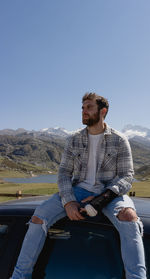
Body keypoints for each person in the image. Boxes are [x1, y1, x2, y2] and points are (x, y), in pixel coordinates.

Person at [11, 92, 147, 279]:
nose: (84, 111)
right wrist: (68, 202)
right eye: (82, 108)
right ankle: (19, 276)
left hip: (109, 193)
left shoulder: (120, 140)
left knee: (129, 218)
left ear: (103, 111)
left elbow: (126, 177)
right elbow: (64, 173)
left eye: (89, 107)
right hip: (77, 190)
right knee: (38, 218)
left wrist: (101, 199)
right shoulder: (73, 139)